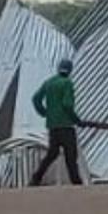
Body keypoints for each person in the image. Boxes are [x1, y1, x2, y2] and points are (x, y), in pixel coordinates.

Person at [30, 58, 85, 186]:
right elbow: (67, 104)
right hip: (66, 126)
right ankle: (76, 181)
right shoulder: (67, 83)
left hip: (53, 126)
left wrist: (44, 112)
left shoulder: (49, 82)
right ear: (70, 70)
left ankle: (36, 178)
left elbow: (36, 99)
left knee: (52, 153)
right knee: (71, 156)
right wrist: (76, 120)